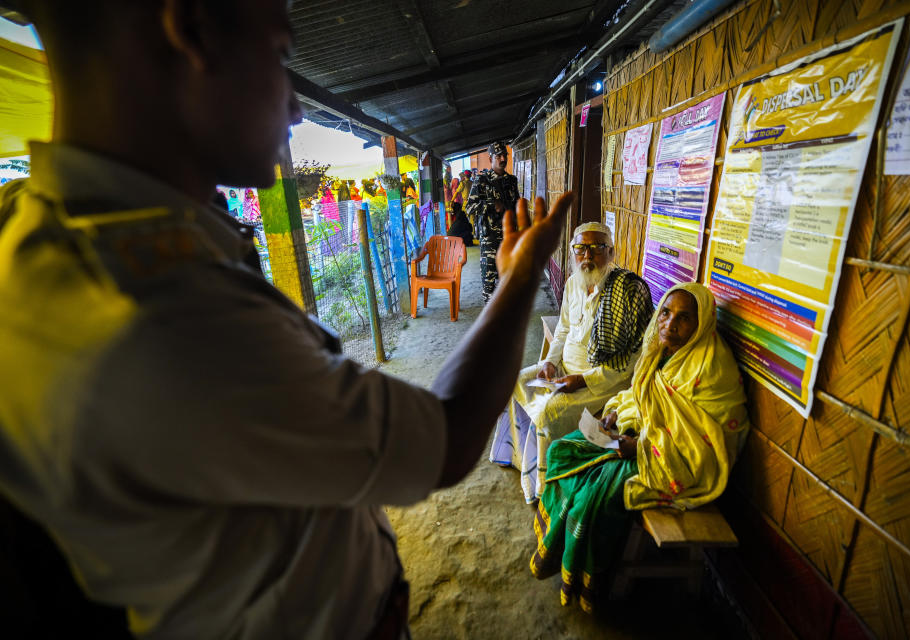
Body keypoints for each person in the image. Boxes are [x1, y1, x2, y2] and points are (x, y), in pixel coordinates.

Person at [0, 1, 574, 638]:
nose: (297, 107)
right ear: (190, 32)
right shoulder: (163, 317)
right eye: (279, 55)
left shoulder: (36, 238)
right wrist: (520, 277)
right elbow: (447, 435)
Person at [529, 282, 750, 612]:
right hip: (633, 435)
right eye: (666, 313)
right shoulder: (661, 350)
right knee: (561, 450)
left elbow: (704, 444)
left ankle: (589, 581)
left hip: (670, 460)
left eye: (684, 318)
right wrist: (616, 414)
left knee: (594, 497)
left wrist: (641, 448)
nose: (669, 324)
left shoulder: (712, 368)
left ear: (702, 323)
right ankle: (556, 546)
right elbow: (639, 393)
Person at [489, 222, 653, 503]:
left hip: (602, 383)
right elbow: (563, 329)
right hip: (563, 374)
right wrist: (551, 362)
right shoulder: (572, 283)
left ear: (611, 252)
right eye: (580, 248)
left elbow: (634, 359)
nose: (587, 255)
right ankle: (519, 459)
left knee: (549, 412)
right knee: (517, 381)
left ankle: (543, 484)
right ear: (573, 253)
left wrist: (581, 380)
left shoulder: (629, 291)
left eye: (596, 248)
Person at [466, 143, 519, 303]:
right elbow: (469, 207)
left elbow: (516, 204)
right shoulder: (481, 180)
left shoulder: (512, 180)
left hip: (509, 237)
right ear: (490, 159)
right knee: (489, 283)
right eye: (498, 156)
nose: (503, 159)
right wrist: (491, 205)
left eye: (505, 155)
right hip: (489, 238)